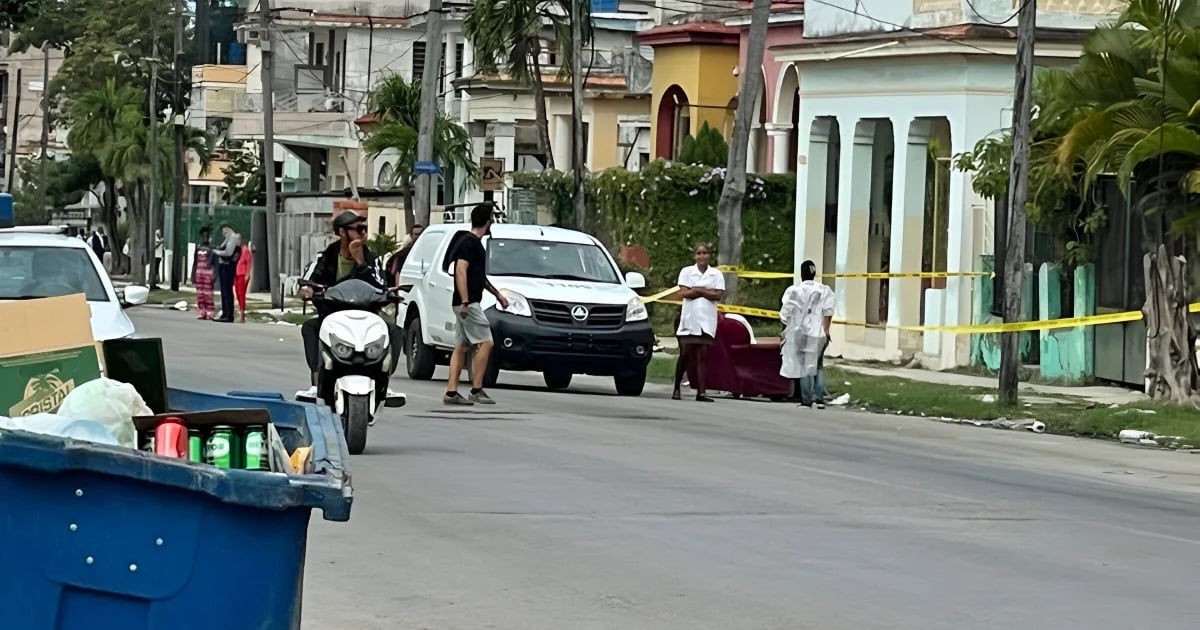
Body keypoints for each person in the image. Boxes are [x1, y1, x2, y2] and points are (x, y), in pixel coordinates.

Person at [297, 212, 403, 404]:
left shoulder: (372, 259)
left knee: (394, 332)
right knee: (310, 328)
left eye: (365, 229)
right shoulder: (326, 257)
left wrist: (361, 261)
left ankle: (384, 383)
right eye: (358, 229)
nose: (363, 233)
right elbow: (310, 278)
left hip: (367, 314)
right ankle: (316, 381)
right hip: (333, 314)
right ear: (342, 232)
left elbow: (381, 286)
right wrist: (307, 289)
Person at [443, 204, 509, 406]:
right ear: (487, 221)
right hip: (468, 303)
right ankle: (477, 389)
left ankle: (451, 392)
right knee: (486, 343)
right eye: (491, 218)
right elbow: (461, 270)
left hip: (465, 302)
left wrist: (497, 295)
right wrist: (465, 301)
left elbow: (478, 277)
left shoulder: (472, 243)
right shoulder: (469, 243)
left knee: (461, 346)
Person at [672, 243, 725, 402]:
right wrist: (705, 291)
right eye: (699, 253)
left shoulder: (716, 274)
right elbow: (683, 293)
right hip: (690, 319)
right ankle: (676, 387)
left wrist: (697, 290)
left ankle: (701, 392)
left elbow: (717, 295)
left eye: (705, 253)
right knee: (685, 355)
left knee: (702, 356)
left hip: (706, 321)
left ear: (709, 255)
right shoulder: (687, 272)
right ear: (694, 256)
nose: (702, 256)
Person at [779, 259, 835, 409]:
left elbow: (785, 314)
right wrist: (826, 330)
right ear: (814, 273)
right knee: (818, 365)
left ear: (801, 274)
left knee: (804, 365)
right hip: (819, 333)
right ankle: (819, 397)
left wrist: (785, 329)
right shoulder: (825, 290)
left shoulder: (794, 291)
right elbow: (828, 311)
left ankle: (806, 398)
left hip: (801, 332)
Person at [211, 224, 242, 322]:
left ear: (228, 229)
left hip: (228, 266)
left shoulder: (233, 238)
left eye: (225, 232)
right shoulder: (229, 238)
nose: (224, 234)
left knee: (227, 291)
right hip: (225, 266)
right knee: (224, 291)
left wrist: (216, 252)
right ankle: (225, 313)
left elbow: (228, 252)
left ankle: (228, 315)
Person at [386, 223, 423, 289]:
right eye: (416, 234)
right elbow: (398, 271)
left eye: (420, 234)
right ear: (411, 236)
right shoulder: (405, 253)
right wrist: (399, 288)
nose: (418, 236)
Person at [192, 226, 216, 320]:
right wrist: (193, 274)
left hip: (208, 273)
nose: (205, 237)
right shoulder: (198, 247)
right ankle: (202, 312)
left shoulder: (211, 248)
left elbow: (214, 263)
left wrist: (214, 275)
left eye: (207, 235)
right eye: (203, 235)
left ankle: (210, 312)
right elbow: (195, 262)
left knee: (208, 294)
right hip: (199, 273)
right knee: (200, 294)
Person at [235, 241, 252, 322]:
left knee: (242, 294)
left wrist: (247, 274)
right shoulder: (236, 250)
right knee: (237, 294)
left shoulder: (245, 250)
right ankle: (240, 310)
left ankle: (242, 314)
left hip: (243, 274)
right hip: (236, 274)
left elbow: (248, 262)